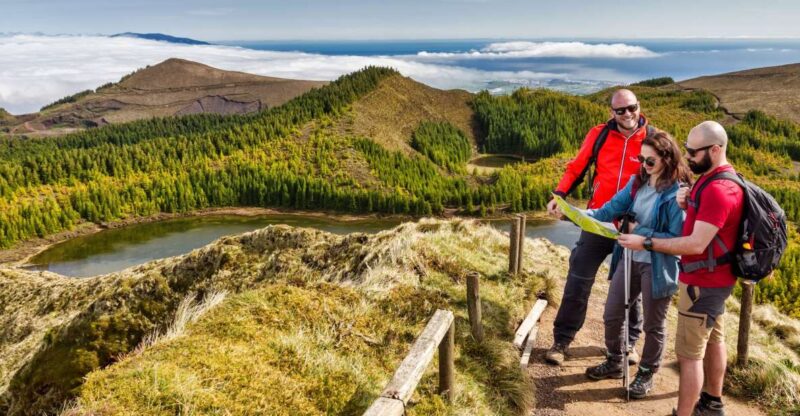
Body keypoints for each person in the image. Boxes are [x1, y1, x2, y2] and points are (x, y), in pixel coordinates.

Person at [618, 121, 743, 416]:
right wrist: (688, 206)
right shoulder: (720, 179)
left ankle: (684, 412)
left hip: (701, 283)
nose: (686, 157)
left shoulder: (717, 190)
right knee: (714, 340)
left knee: (689, 356)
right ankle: (712, 402)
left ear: (715, 149)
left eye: (693, 152)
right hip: (715, 281)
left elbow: (695, 244)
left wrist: (645, 243)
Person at [545, 89, 652, 365]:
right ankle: (562, 340)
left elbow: (667, 180)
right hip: (599, 219)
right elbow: (576, 167)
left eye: (632, 107)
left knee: (630, 287)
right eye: (621, 110)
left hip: (632, 226)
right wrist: (559, 196)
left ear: (639, 107)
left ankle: (627, 345)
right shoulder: (600, 135)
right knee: (578, 278)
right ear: (611, 113)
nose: (628, 114)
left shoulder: (653, 139)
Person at [583, 131, 691, 399]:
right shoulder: (636, 183)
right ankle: (615, 360)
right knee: (612, 313)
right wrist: (572, 214)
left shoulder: (676, 194)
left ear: (667, 159)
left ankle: (646, 373)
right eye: (640, 159)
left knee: (653, 325)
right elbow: (606, 211)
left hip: (658, 265)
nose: (644, 165)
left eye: (650, 161)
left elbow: (677, 237)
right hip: (628, 259)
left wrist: (642, 237)